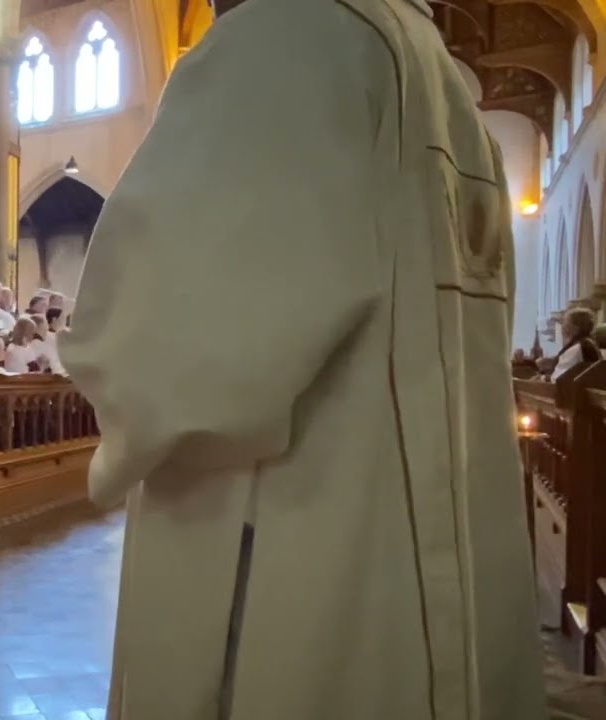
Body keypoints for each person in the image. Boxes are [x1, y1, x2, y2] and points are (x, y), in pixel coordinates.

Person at [58, 0, 545, 718]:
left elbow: (176, 361)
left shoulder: (289, 36)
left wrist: (107, 367)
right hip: (416, 573)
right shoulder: (440, 77)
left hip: (300, 566)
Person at [548, 307, 601, 381]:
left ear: (576, 327)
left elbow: (559, 378)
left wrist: (543, 378)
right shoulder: (588, 343)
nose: (562, 326)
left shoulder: (577, 348)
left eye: (565, 322)